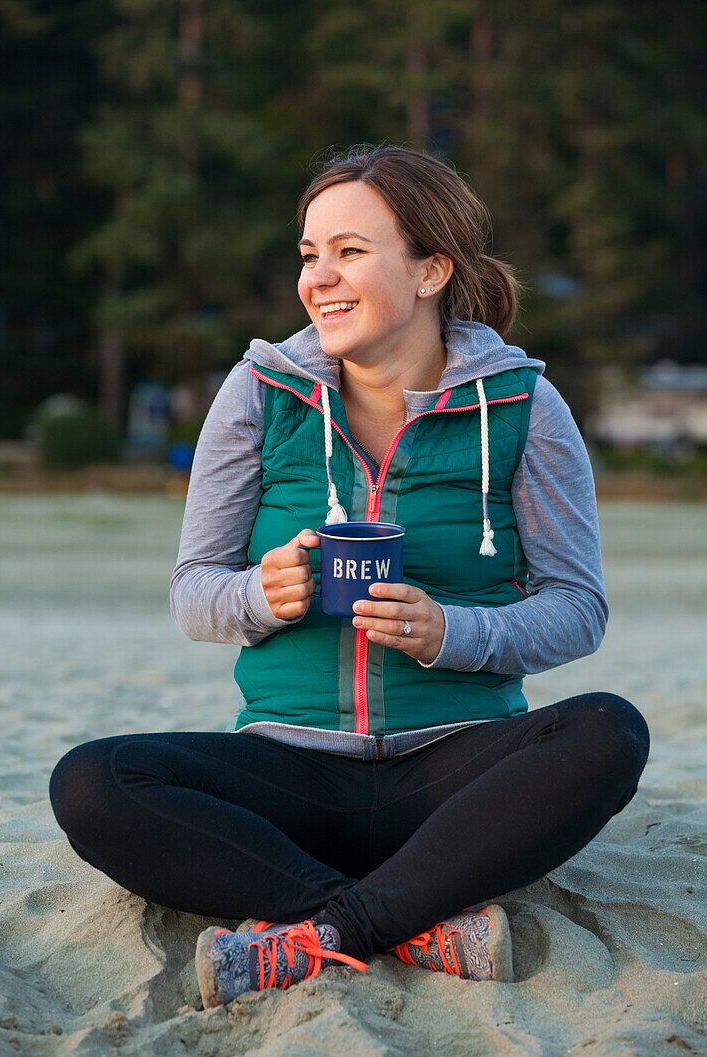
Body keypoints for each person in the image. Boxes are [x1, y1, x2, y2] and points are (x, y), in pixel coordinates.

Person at [49, 145, 650, 1010]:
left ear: (432, 269)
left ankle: (321, 930)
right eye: (308, 254)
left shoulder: (522, 406)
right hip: (287, 772)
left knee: (606, 733)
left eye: (350, 251)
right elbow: (193, 593)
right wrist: (264, 593)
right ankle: (401, 922)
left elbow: (577, 608)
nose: (319, 277)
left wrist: (455, 632)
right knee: (93, 782)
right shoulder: (259, 392)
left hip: (455, 775)